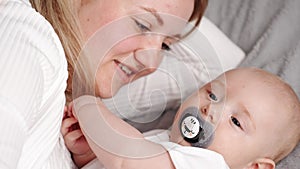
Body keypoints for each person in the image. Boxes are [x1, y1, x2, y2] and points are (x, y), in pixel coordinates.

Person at [0, 0, 208, 168]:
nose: (152, 63)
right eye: (142, 24)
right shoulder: (28, 38)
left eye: (165, 46)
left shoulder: (66, 112)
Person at [62, 67, 300, 169]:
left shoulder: (208, 164)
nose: (210, 110)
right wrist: (89, 153)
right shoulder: (164, 140)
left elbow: (127, 159)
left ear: (255, 167)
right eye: (213, 94)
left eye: (236, 121)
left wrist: (89, 106)